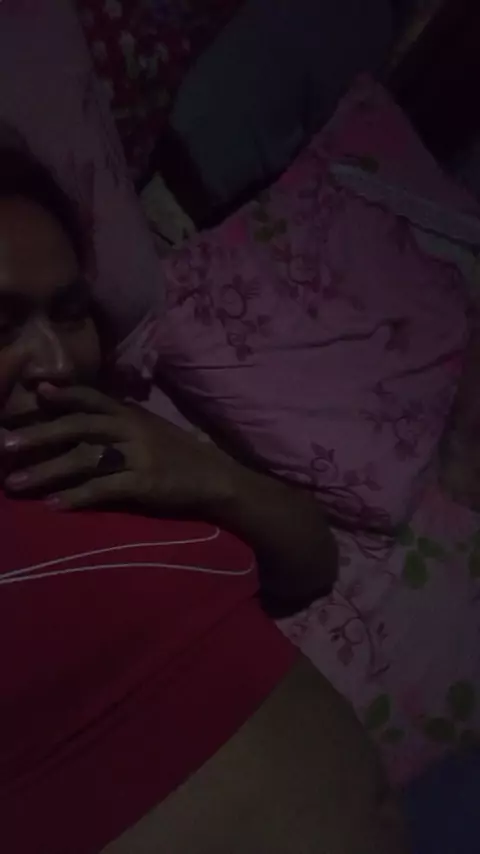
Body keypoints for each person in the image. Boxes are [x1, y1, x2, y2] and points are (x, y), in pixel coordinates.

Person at [0, 145, 409, 853]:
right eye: (0, 324)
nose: (57, 364)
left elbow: (312, 561)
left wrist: (207, 475)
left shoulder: (125, 441)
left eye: (69, 313)